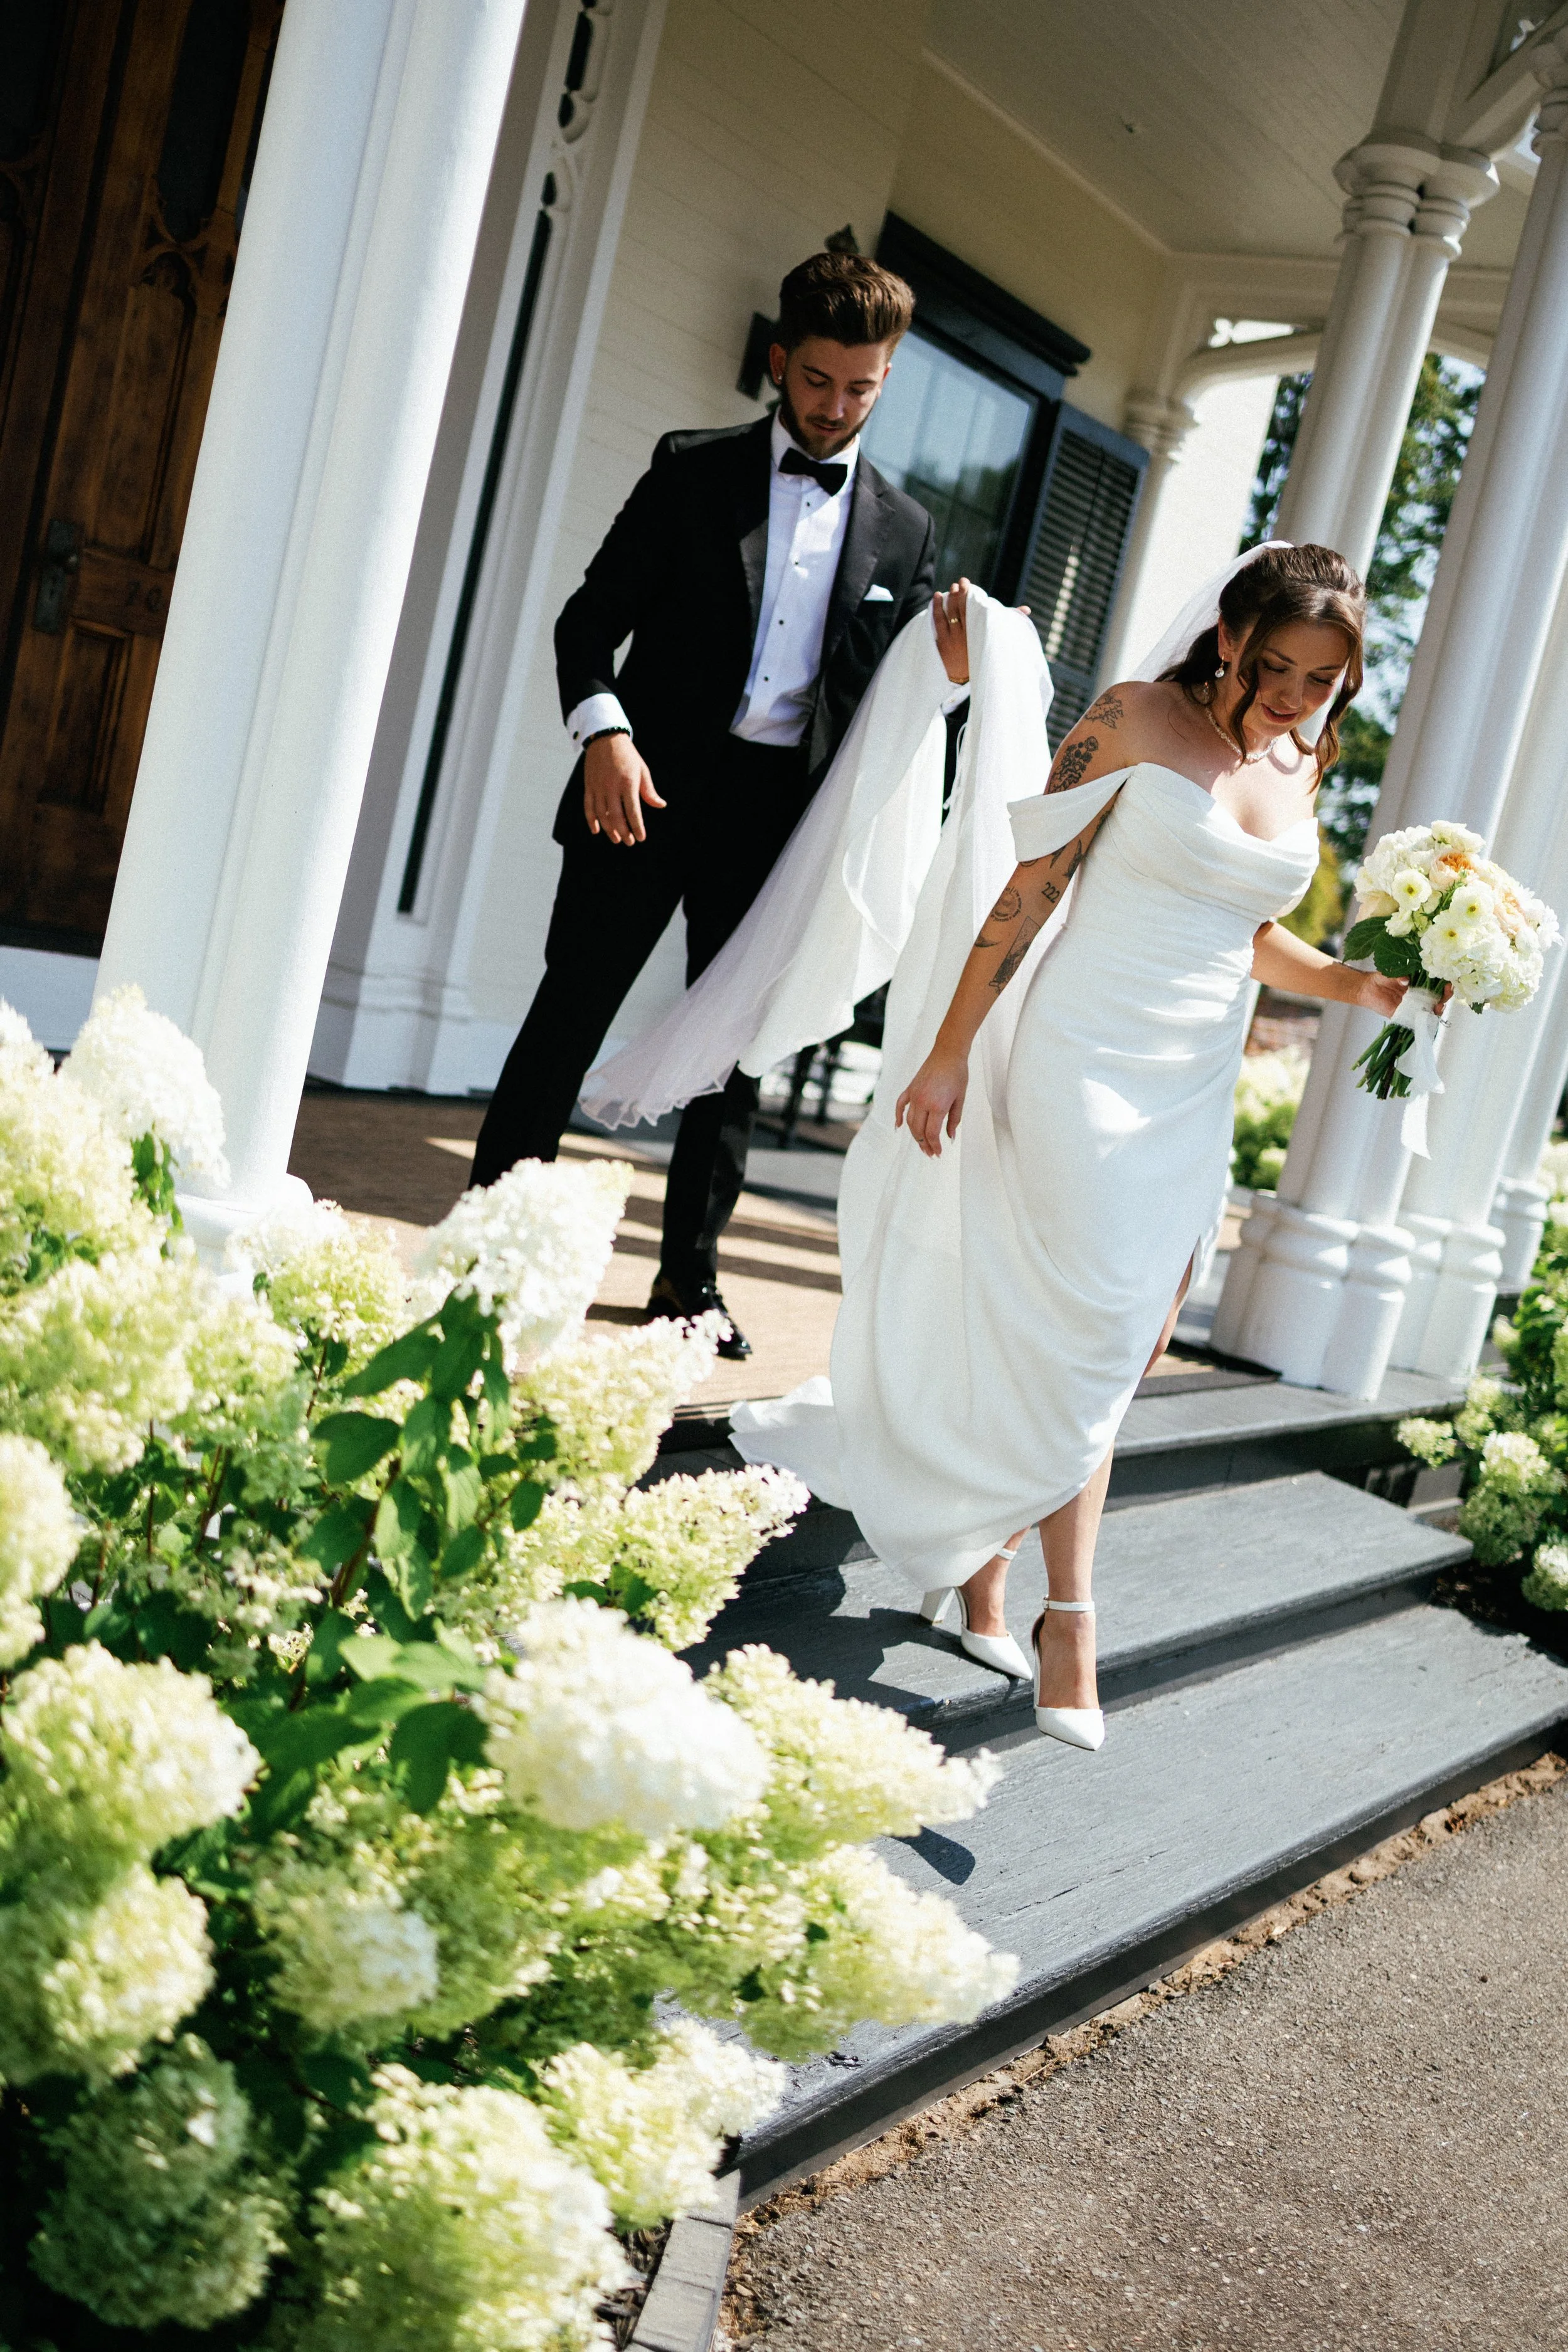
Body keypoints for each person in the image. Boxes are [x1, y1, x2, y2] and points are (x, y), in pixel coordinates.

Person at [731, 542, 1421, 1749]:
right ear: (1229, 639)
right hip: (1082, 1057)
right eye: (1280, 670)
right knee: (1099, 1334)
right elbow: (1031, 886)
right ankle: (1073, 1619)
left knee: (1127, 1336)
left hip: (1192, 1082)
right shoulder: (1133, 720)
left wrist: (1358, 988)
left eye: (1325, 680)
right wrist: (949, 1049)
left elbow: (1247, 932)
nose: (1299, 698)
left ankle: (986, 1571)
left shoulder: (1298, 760)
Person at [470, 249, 970, 1357]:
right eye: (818, 383)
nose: (836, 410)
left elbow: (888, 695)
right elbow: (585, 623)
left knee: (739, 1059)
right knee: (569, 1016)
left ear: (886, 380)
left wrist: (953, 674)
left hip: (777, 826)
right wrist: (604, 730)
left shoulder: (908, 530)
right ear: (780, 362)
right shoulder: (691, 474)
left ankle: (687, 1286)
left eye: (863, 390)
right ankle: (492, 1255)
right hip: (638, 792)